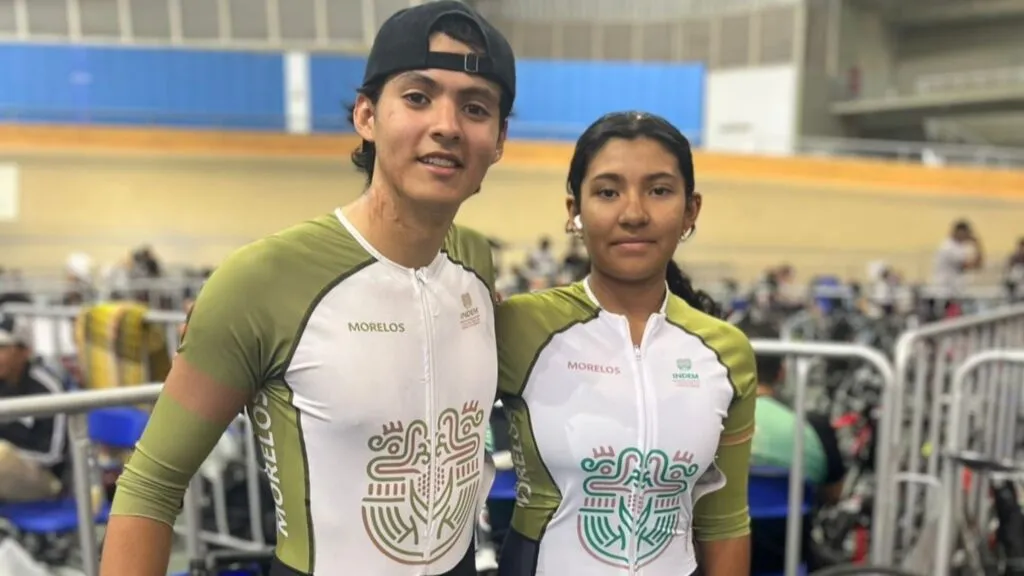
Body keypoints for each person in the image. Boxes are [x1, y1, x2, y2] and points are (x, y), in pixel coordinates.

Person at [99, 2, 516, 575]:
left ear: (497, 140)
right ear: (367, 116)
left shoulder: (475, 260)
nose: (446, 125)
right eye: (417, 98)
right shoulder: (260, 282)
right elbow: (150, 485)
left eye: (475, 107)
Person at [495, 112, 755, 576]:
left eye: (659, 190)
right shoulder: (517, 327)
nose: (634, 214)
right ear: (574, 210)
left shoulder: (726, 351)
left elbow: (724, 522)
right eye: (608, 192)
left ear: (690, 210)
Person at [743, 321, 846, 574]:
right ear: (782, 373)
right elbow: (833, 494)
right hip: (786, 562)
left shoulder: (706, 425)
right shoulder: (812, 428)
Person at [0, 313, 66, 502]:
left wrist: (12, 455)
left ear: (24, 351)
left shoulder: (47, 388)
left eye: (2, 348)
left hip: (47, 479)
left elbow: (54, 455)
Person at [930, 219, 983, 316]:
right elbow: (969, 264)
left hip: (956, 293)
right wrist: (977, 245)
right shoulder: (948, 247)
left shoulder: (960, 247)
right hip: (946, 293)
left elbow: (978, 265)